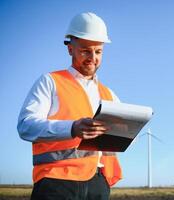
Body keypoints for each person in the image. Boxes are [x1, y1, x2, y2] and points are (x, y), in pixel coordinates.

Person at [17, 12, 122, 200]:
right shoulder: (50, 82)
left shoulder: (109, 95)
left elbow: (125, 137)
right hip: (57, 182)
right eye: (85, 50)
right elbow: (26, 126)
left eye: (98, 51)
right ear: (70, 48)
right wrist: (72, 128)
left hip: (99, 183)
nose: (92, 57)